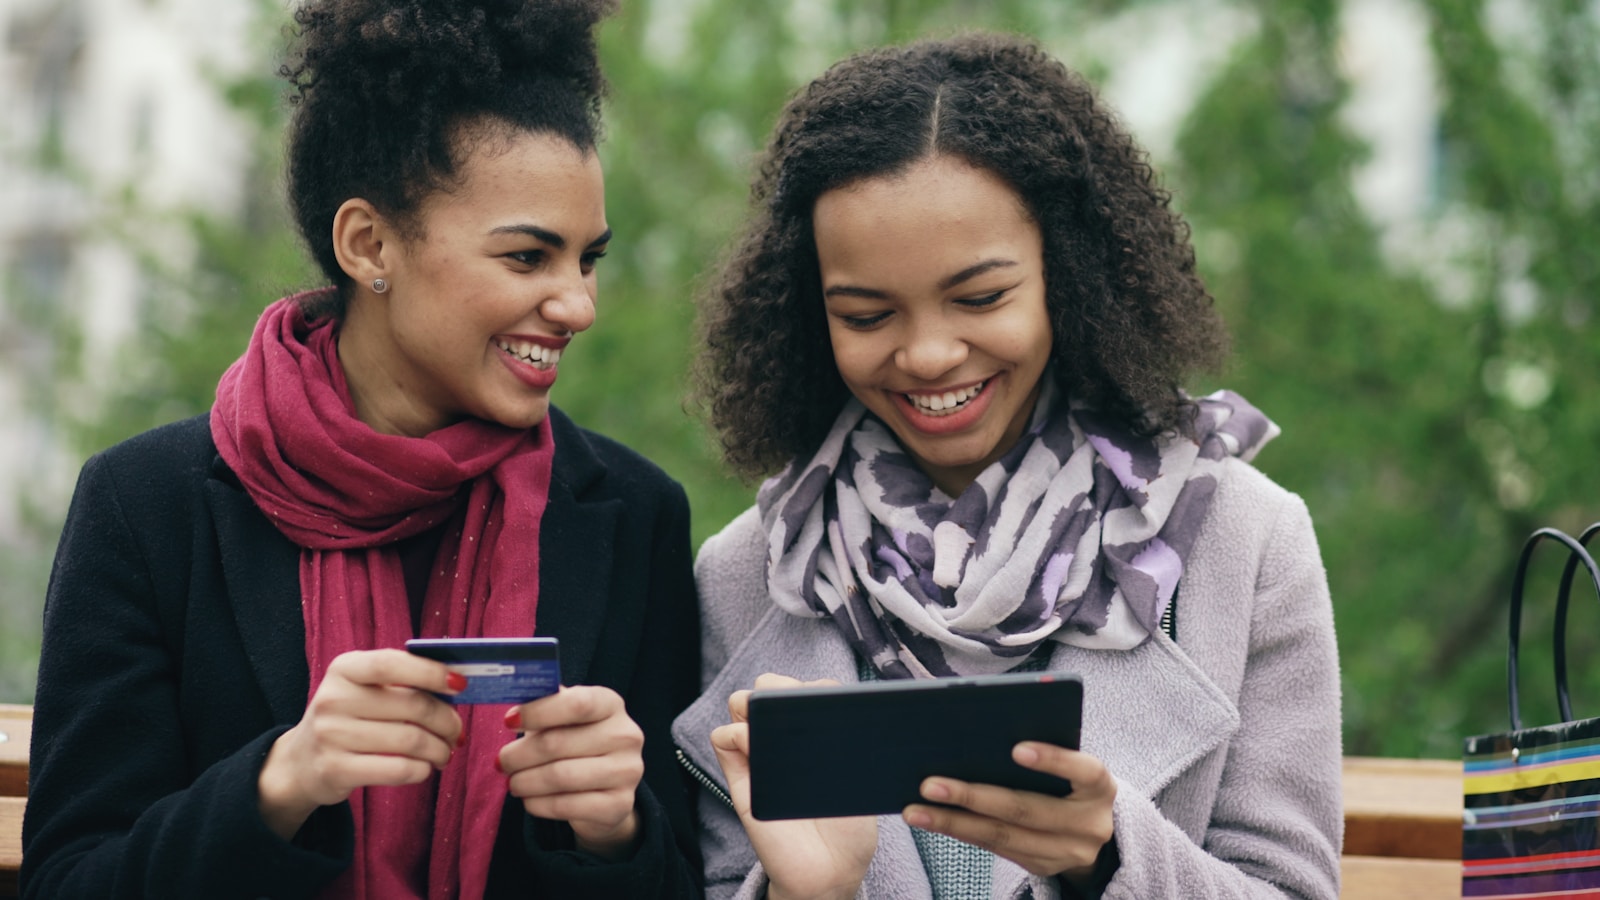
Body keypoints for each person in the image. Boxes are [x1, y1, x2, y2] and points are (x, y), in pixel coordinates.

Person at [21, 1, 702, 897]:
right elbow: (69, 881)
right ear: (368, 243)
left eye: (588, 260)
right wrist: (282, 783)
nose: (578, 304)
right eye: (530, 258)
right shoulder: (148, 506)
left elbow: (682, 880)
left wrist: (616, 833)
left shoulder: (633, 513)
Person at [670, 32, 1341, 900]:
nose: (928, 354)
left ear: (1068, 275)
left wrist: (1107, 854)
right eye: (867, 314)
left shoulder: (1244, 544)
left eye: (981, 298)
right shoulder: (750, 575)